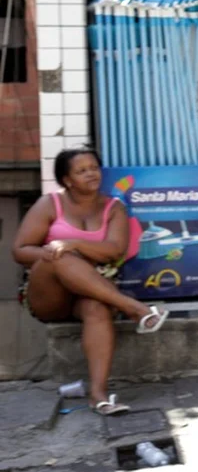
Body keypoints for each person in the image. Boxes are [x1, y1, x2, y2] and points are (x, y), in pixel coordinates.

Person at [12, 147, 169, 416]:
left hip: (91, 291)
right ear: (67, 180)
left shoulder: (113, 207)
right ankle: (136, 309)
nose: (91, 174)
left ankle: (98, 395)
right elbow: (20, 250)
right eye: (81, 171)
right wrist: (57, 250)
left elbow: (115, 250)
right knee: (58, 256)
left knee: (96, 309)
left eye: (94, 168)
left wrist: (72, 243)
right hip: (49, 294)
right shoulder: (50, 204)